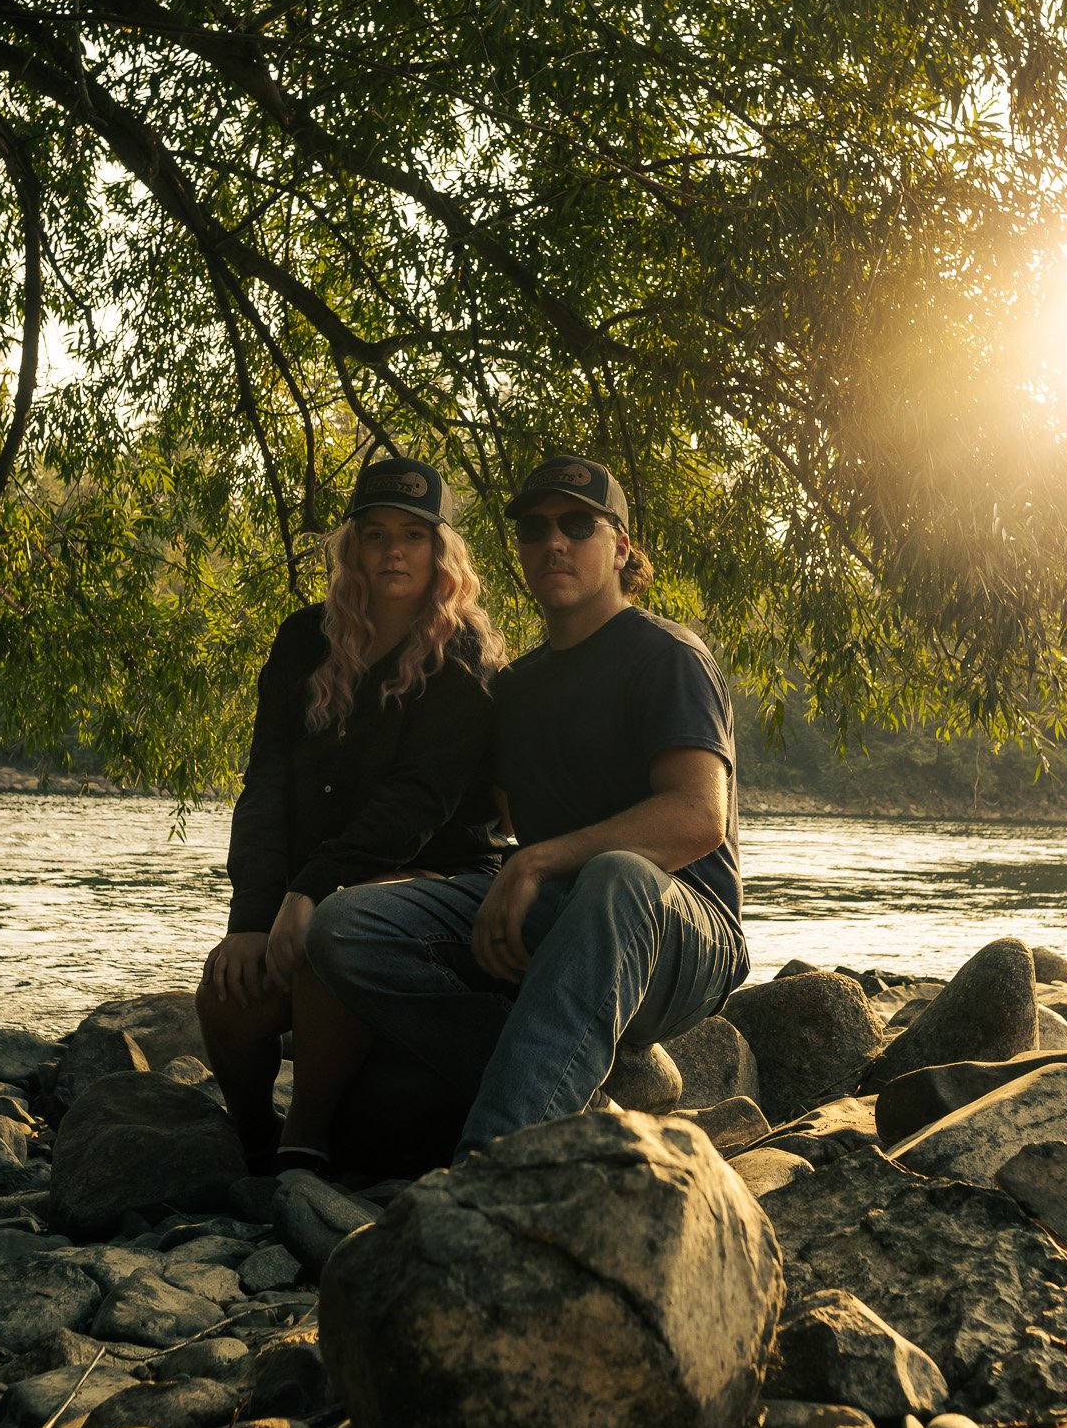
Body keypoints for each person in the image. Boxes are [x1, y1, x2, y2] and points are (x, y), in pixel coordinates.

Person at [304, 450, 749, 1163]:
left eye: (578, 524)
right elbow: (483, 821)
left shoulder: (667, 657)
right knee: (344, 927)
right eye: (536, 531)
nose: (555, 543)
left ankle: (490, 1163)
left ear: (621, 545)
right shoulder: (512, 689)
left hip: (683, 937)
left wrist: (537, 860)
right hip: (557, 925)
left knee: (618, 876)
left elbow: (698, 818)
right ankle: (567, 1087)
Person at [196, 455, 506, 1174]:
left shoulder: (465, 658)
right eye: (375, 534)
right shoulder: (304, 640)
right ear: (352, 547)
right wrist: (251, 916)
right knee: (228, 992)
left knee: (341, 925)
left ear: (442, 551)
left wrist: (312, 889)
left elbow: (417, 804)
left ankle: (305, 1146)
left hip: (430, 881)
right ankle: (250, 1139)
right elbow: (266, 784)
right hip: (313, 881)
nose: (394, 551)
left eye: (414, 535)